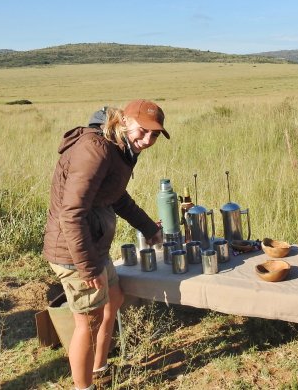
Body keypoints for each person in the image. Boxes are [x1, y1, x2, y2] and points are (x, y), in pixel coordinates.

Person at [43, 99, 169, 390]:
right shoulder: (96, 150)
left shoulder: (119, 148)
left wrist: (149, 228)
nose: (147, 140)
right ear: (124, 121)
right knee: (88, 322)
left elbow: (116, 196)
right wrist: (88, 269)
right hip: (74, 251)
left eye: (155, 135)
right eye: (143, 131)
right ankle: (83, 386)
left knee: (114, 298)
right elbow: (71, 214)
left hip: (92, 245)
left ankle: (99, 367)